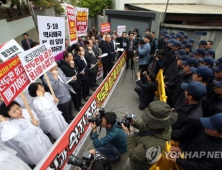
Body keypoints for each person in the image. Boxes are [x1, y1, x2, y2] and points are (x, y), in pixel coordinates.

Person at [121, 101, 178, 170]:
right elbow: (145, 126)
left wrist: (129, 134)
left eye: (149, 121)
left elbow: (134, 155)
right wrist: (133, 122)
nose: (146, 121)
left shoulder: (153, 144)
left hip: (136, 166)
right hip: (140, 147)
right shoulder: (164, 125)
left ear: (156, 124)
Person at [0, 101, 52, 165]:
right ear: (8, 115)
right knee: (43, 160)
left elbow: (36, 121)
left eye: (18, 108)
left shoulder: (26, 112)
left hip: (41, 136)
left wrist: (37, 122)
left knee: (51, 152)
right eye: (14, 112)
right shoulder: (10, 125)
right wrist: (33, 126)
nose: (18, 111)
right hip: (32, 145)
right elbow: (17, 135)